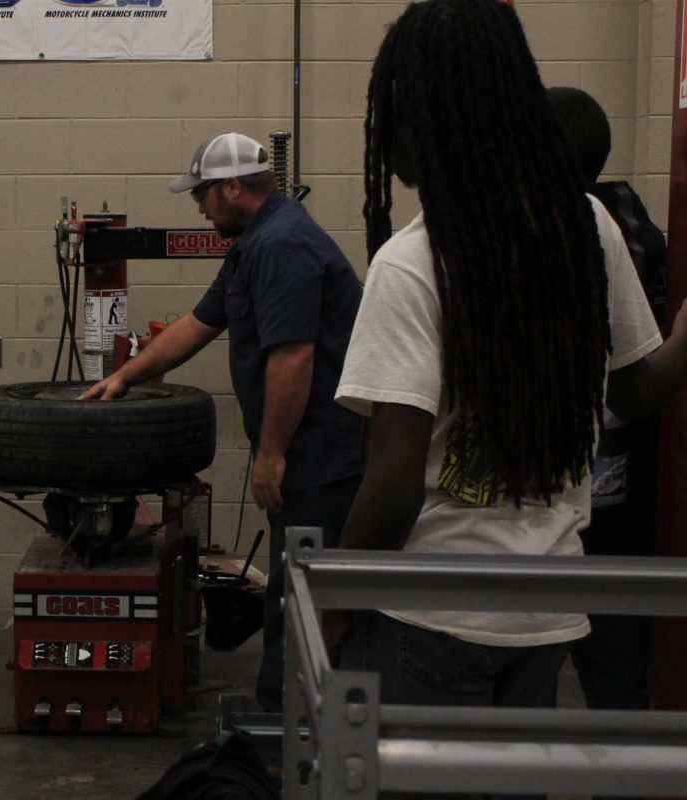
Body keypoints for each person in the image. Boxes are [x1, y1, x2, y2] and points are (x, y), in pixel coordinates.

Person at [334, 2, 687, 796]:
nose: (387, 138)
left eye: (394, 110)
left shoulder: (413, 262)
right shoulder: (587, 226)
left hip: (433, 614)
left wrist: (333, 601)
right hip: (547, 611)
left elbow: (391, 489)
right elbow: (637, 388)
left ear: (429, 113)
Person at [80, 132, 364, 712]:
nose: (198, 206)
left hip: (322, 459)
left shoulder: (281, 244)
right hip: (310, 454)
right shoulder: (255, 242)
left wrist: (271, 454)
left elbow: (294, 356)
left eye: (203, 194)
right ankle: (291, 720)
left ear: (233, 187)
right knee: (296, 589)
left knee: (305, 595)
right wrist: (126, 376)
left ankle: (294, 729)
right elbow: (198, 324)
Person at [547, 85, 668, 716]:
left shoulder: (602, 233)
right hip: (590, 499)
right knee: (609, 686)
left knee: (597, 681)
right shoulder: (633, 226)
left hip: (589, 503)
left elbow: (639, 382)